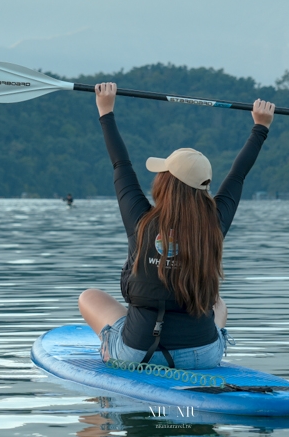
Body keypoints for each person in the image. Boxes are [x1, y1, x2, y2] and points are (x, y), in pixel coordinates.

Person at [78, 82, 275, 370]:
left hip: (137, 354)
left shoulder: (140, 220)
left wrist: (105, 109)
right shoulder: (214, 225)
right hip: (202, 356)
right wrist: (261, 127)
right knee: (219, 304)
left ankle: (110, 382)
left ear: (164, 183)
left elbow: (121, 165)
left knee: (89, 297)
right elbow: (238, 175)